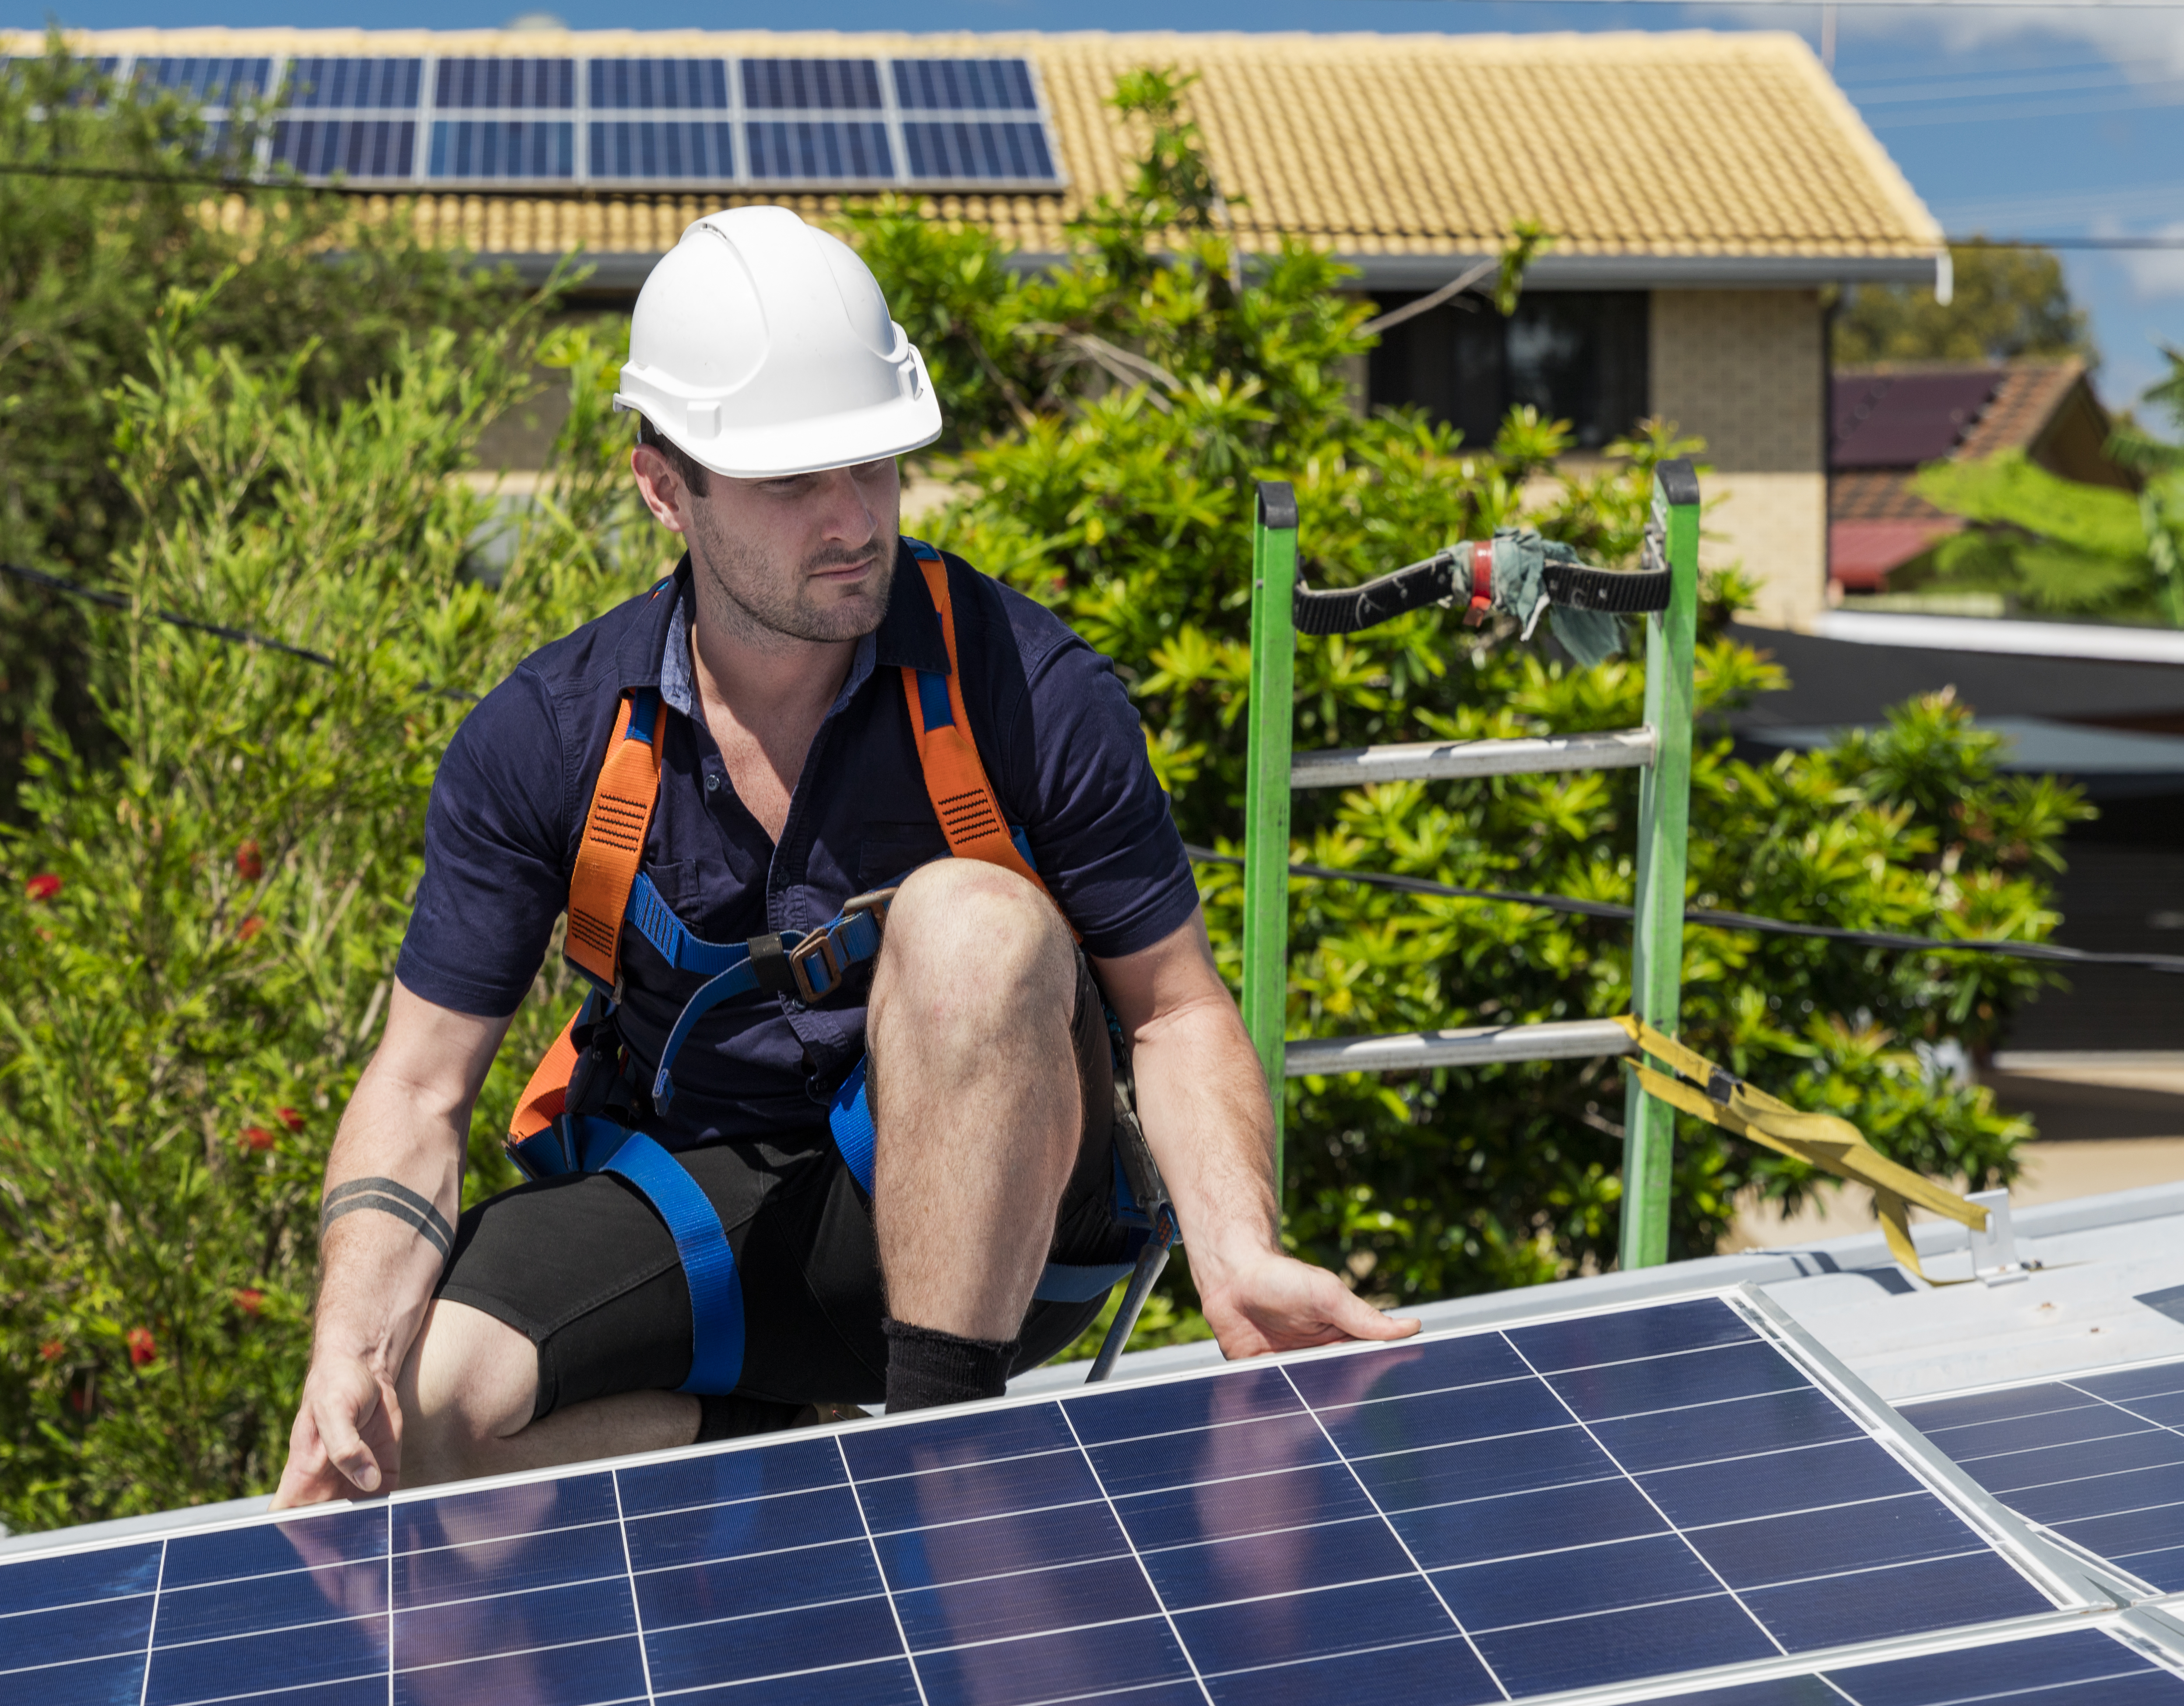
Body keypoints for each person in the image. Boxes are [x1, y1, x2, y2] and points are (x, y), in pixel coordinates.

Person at [274, 206, 1411, 1507]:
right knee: (411, 1422)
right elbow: (420, 1088)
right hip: (715, 1201)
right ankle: (767, 1440)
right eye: (791, 482)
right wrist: (347, 1349)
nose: (855, 518)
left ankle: (939, 1475)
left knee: (974, 923)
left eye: (873, 466)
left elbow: (1174, 1007)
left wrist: (1237, 1253)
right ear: (666, 488)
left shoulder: (1025, 688)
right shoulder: (550, 736)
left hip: (1011, 1217)